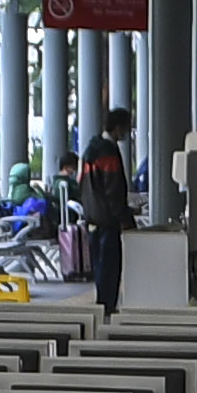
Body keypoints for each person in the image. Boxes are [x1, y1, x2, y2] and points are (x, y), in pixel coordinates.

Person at [76, 107, 137, 309]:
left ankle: (101, 308)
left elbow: (81, 183)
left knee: (99, 269)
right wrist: (125, 217)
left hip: (92, 218)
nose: (127, 131)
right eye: (126, 127)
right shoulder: (108, 152)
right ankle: (107, 309)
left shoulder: (90, 150)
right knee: (110, 270)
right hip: (108, 221)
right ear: (118, 127)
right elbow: (113, 190)